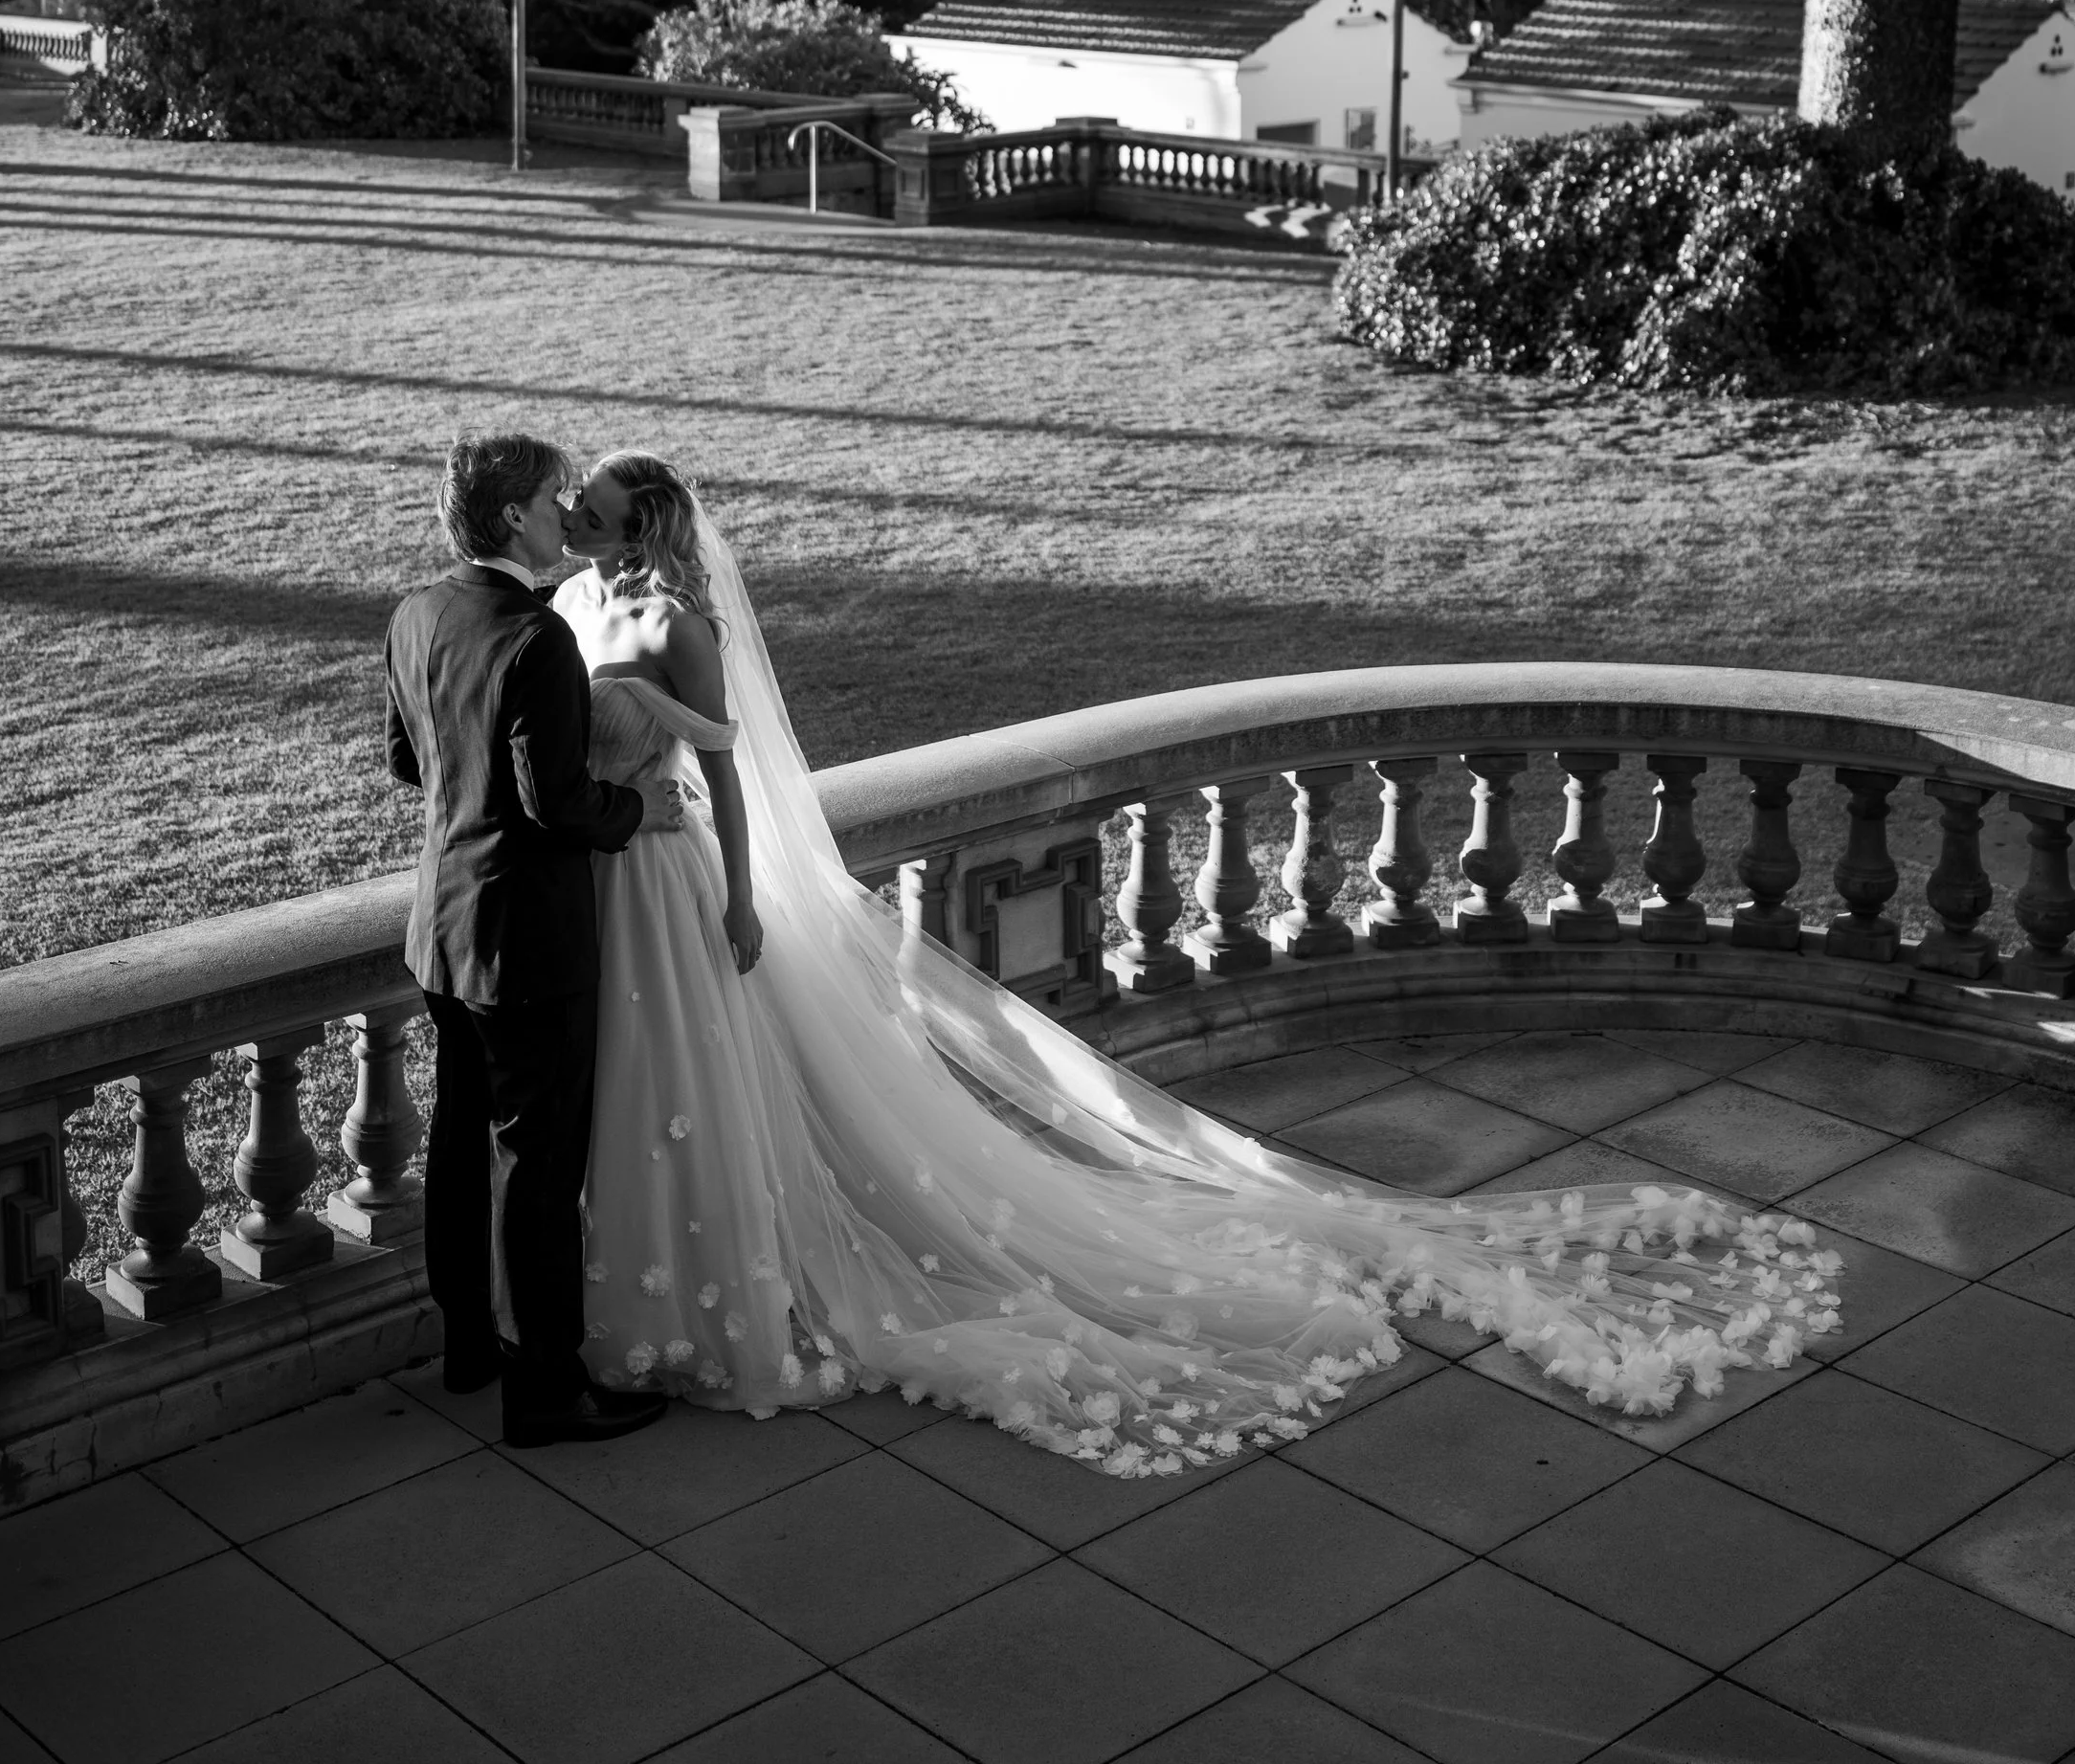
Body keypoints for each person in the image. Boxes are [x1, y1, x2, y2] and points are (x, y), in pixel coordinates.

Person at [555, 450, 1843, 1469]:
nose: (578, 519)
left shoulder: (682, 621)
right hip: (617, 881)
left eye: (597, 508)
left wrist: (738, 897)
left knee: (706, 1084)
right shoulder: (590, 598)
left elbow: (724, 769)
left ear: (647, 523)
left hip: (681, 878)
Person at [387, 432, 672, 1451]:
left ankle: (471, 1347)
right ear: (512, 516)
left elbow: (406, 760)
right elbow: (556, 803)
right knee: (542, 1171)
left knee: (462, 1152)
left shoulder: (417, 612)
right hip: (530, 947)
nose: (565, 514)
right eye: (555, 499)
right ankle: (547, 1391)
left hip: (442, 933)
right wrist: (637, 810)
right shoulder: (537, 636)